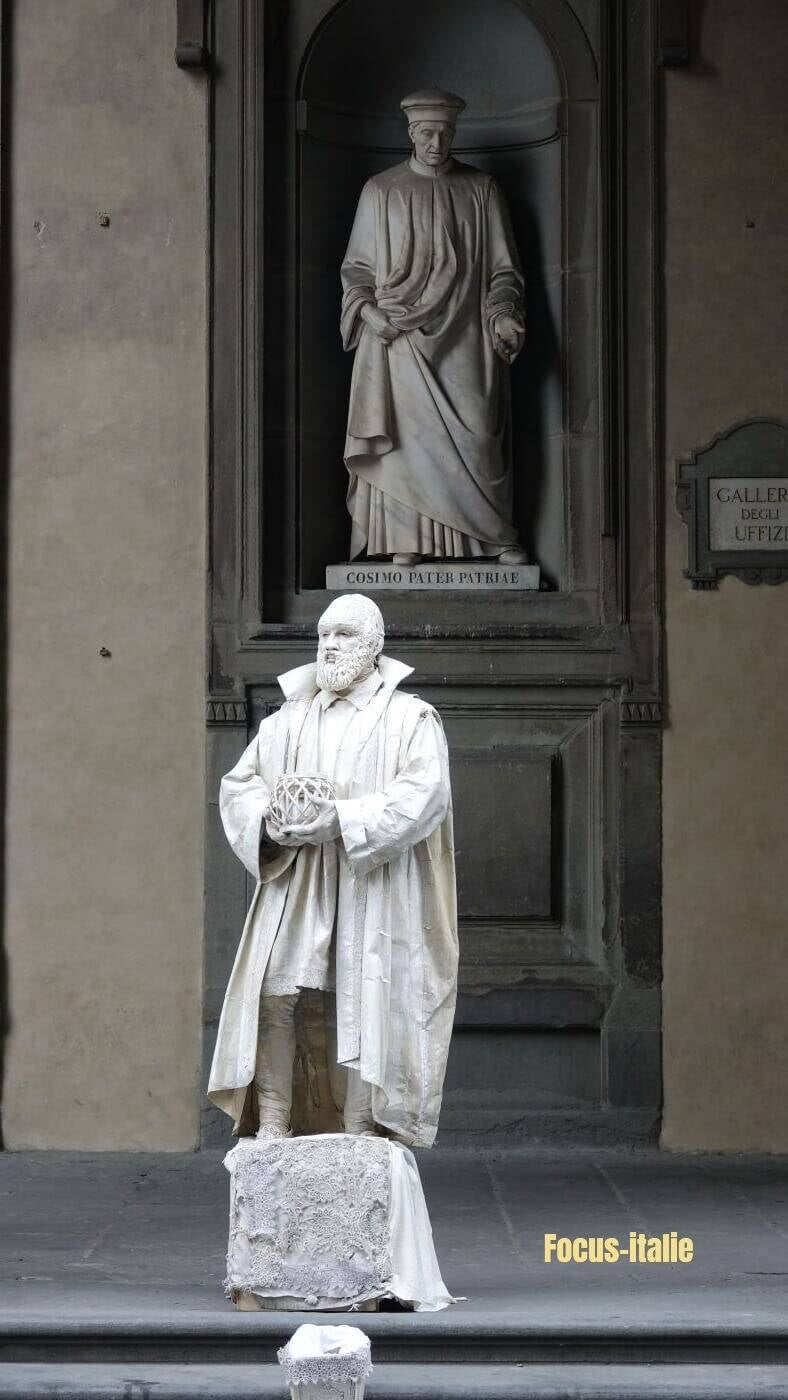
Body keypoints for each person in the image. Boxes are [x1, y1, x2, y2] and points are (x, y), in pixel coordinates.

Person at [208, 594, 458, 1147]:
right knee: (275, 993)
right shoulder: (288, 719)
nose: (329, 645)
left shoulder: (408, 717)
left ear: (374, 645)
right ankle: (275, 1122)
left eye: (343, 635)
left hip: (371, 881)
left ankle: (359, 1128)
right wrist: (270, 824)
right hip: (298, 881)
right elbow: (240, 786)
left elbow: (425, 794)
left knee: (363, 993)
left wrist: (342, 820)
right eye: (323, 635)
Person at [341, 88, 528, 566]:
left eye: (445, 133)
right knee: (406, 443)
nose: (436, 141)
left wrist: (504, 311)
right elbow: (357, 270)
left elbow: (503, 271)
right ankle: (407, 539)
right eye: (427, 132)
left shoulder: (481, 189)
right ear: (411, 133)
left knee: (480, 434)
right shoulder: (381, 190)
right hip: (397, 339)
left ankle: (493, 536)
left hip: (467, 337)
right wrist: (367, 312)